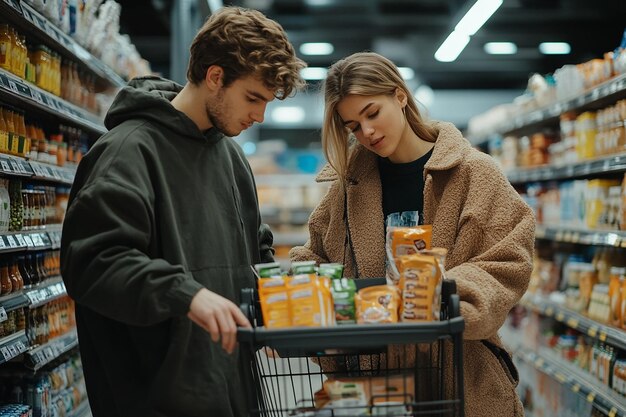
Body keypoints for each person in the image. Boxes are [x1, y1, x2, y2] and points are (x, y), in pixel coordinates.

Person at [60, 7, 305, 417]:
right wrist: (186, 295)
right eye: (253, 98)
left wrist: (277, 304)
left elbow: (255, 250)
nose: (259, 116)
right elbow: (92, 262)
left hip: (231, 388)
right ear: (215, 77)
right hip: (153, 396)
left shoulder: (231, 157)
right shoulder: (127, 152)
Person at [290, 52, 535, 417]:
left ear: (400, 96)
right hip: (378, 387)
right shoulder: (348, 189)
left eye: (372, 113)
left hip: (463, 379)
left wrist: (436, 295)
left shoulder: (474, 174)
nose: (367, 132)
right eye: (353, 126)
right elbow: (313, 257)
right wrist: (308, 302)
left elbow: (509, 259)